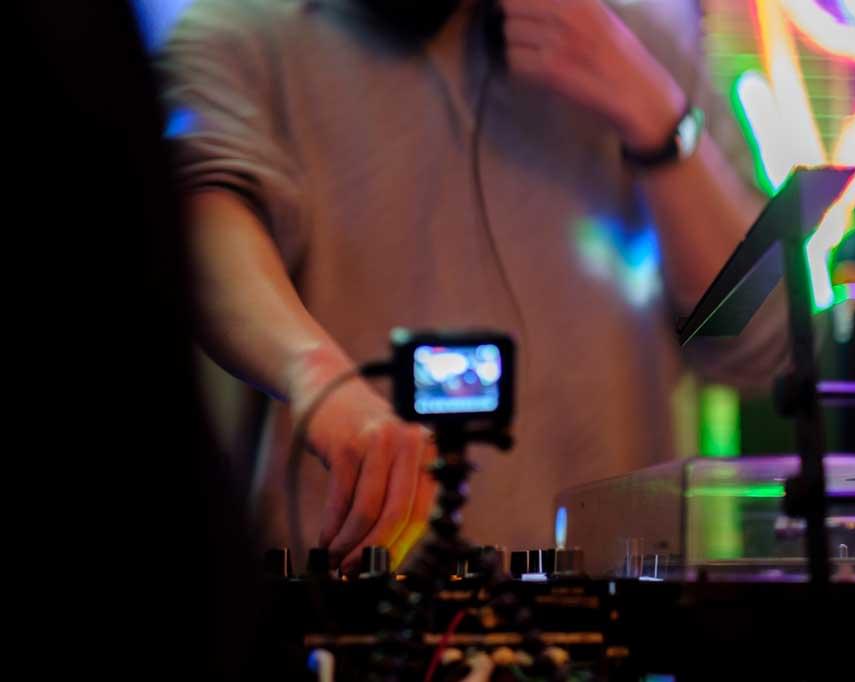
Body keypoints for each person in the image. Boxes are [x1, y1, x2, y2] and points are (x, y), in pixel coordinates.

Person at [160, 0, 788, 572]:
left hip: (613, 609)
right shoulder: (238, 32)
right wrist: (318, 377)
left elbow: (763, 344)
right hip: (352, 606)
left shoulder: (636, 36)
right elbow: (196, 228)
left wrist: (655, 116)